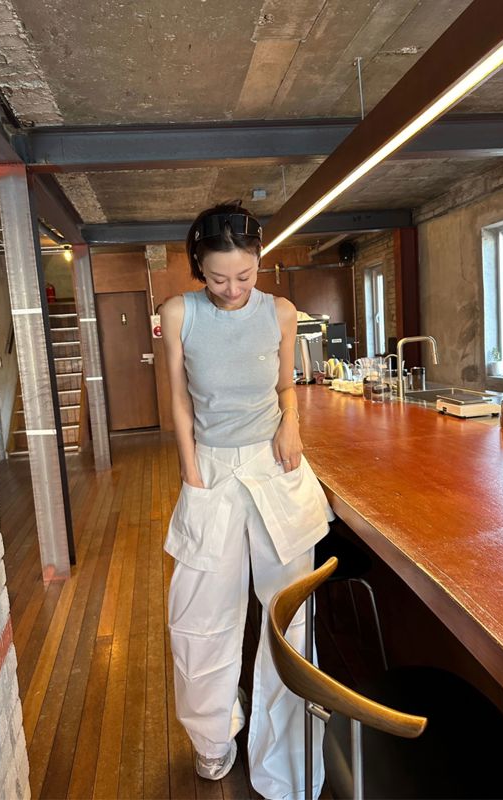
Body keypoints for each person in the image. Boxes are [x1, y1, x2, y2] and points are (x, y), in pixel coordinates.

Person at [161, 202, 334, 800]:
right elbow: (180, 399)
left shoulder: (281, 312)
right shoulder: (179, 313)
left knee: (289, 616)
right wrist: (191, 472)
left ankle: (286, 760)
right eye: (218, 278)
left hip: (273, 466)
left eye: (245, 275)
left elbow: (286, 386)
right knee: (200, 616)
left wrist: (292, 424)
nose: (233, 289)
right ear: (198, 268)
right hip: (210, 468)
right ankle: (213, 739)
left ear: (260, 261)